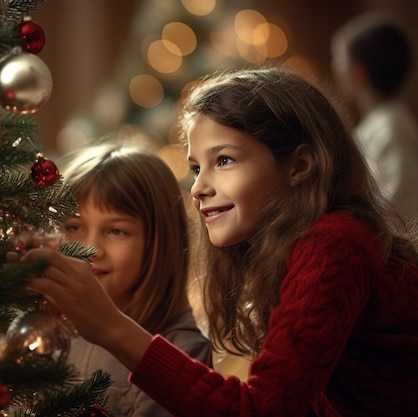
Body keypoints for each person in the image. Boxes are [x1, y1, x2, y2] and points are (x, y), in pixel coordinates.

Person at [22, 67, 418, 417]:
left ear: (299, 166)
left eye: (224, 160)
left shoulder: (335, 243)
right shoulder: (289, 252)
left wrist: (109, 327)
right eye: (195, 167)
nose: (198, 187)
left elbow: (262, 409)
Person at [58, 143, 212, 416]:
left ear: (158, 243)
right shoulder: (43, 331)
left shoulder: (183, 353)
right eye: (74, 227)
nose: (90, 249)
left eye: (116, 231)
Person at [330, 11, 418, 226]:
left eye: (338, 58)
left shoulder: (392, 127)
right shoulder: (380, 123)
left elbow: (396, 204)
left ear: (357, 73)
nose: (334, 66)